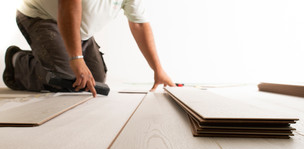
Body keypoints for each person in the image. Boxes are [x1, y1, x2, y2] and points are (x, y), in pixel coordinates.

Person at [3, 0, 175, 97]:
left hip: (79, 30)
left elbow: (139, 25)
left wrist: (158, 69)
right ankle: (18, 62)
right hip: (42, 17)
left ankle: (56, 55)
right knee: (67, 80)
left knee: (95, 81)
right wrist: (76, 59)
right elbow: (68, 7)